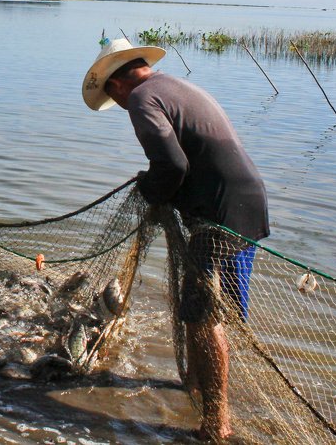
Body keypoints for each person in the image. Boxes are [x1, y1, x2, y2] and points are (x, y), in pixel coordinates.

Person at [82, 36, 269, 442]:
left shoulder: (140, 98)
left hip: (217, 216)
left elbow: (171, 164)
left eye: (114, 98)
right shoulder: (176, 85)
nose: (119, 106)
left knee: (202, 317)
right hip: (246, 203)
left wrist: (150, 190)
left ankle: (217, 422)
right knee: (211, 310)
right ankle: (197, 389)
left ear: (116, 84)